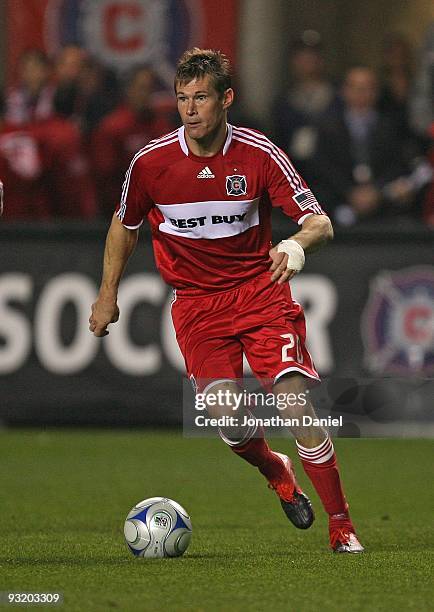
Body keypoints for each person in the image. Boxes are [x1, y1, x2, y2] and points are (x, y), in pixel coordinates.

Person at [89, 48, 364, 553]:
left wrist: (295, 246)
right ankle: (275, 469)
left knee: (297, 406)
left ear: (226, 99)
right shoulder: (151, 163)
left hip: (260, 294)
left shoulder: (259, 154)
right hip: (196, 305)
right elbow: (124, 225)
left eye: (201, 98)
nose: (190, 109)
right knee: (229, 419)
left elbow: (319, 223)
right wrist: (107, 293)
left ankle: (341, 524)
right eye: (182, 98)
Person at [91, 65, 177, 217]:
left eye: (150, 89)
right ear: (129, 90)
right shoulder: (112, 127)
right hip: (122, 211)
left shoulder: (161, 125)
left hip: (159, 211)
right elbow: (105, 176)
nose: (147, 94)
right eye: (142, 88)